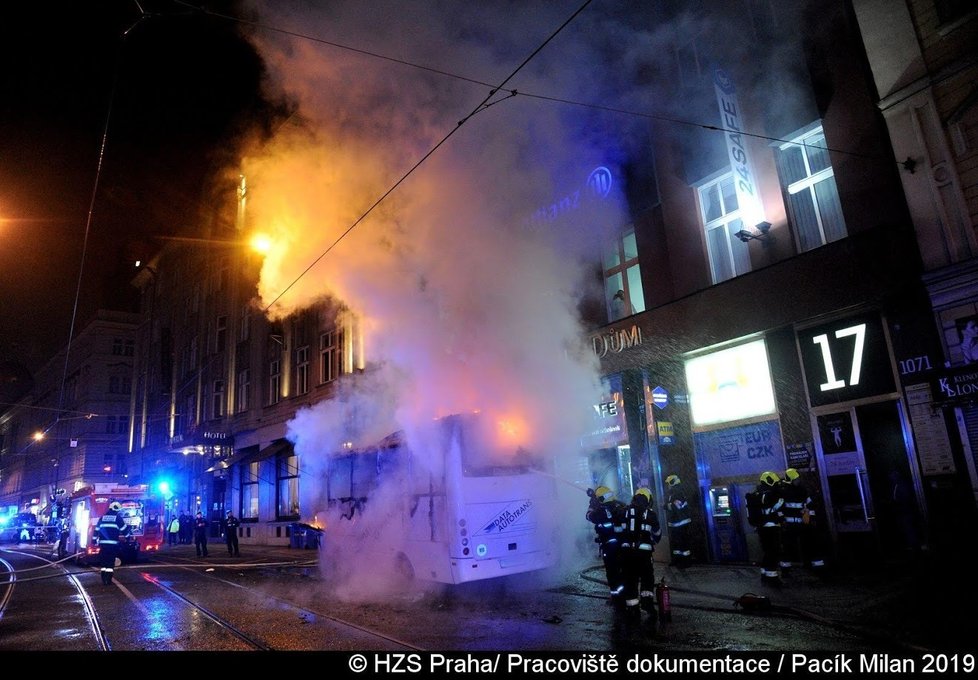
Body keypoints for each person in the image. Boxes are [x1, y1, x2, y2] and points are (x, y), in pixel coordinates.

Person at [619, 488, 662, 626]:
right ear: (648, 499)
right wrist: (650, 541)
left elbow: (619, 531)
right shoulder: (651, 514)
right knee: (647, 579)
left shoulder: (624, 511)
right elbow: (657, 534)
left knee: (629, 580)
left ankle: (632, 608)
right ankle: (647, 605)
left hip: (627, 554)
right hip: (644, 554)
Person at [779, 468, 825, 571]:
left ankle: (814, 566)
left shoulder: (801, 490)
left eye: (798, 479)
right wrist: (782, 520)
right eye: (795, 479)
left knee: (808, 545)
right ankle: (786, 569)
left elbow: (809, 505)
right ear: (790, 480)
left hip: (802, 523)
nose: (798, 480)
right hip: (791, 525)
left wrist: (811, 518)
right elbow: (779, 508)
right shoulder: (784, 492)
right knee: (788, 548)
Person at [585, 486, 626, 602]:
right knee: (623, 570)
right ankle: (626, 594)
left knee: (612, 572)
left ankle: (616, 597)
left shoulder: (601, 512)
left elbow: (589, 516)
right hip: (623, 545)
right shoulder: (620, 506)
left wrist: (592, 505)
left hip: (609, 546)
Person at [755, 471, 785, 582]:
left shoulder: (757, 493)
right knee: (773, 551)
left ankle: (764, 573)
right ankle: (772, 577)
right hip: (771, 526)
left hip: (761, 527)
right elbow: (776, 509)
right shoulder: (771, 494)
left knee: (767, 551)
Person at [95, 501, 132, 585]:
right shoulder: (118, 518)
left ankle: (104, 579)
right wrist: (128, 538)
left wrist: (93, 540)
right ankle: (108, 580)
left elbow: (97, 530)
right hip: (112, 545)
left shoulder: (102, 517)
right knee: (110, 563)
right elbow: (124, 530)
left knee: (104, 562)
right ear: (117, 510)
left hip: (103, 545)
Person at [664, 474, 692, 567]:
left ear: (672, 483)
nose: (667, 486)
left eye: (668, 484)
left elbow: (677, 506)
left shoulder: (678, 492)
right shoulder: (673, 493)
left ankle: (686, 562)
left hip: (681, 522)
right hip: (676, 522)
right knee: (676, 543)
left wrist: (665, 506)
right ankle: (677, 560)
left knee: (683, 543)